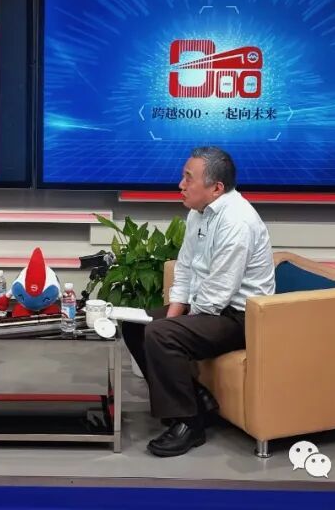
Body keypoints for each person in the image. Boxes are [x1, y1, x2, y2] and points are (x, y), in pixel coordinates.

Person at [121, 147, 275, 458]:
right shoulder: (198, 213)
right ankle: (198, 399)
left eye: (188, 178)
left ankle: (189, 424)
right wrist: (174, 313)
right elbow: (186, 269)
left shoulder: (238, 221)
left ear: (216, 188)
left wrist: (174, 325)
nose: (180, 185)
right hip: (210, 307)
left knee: (161, 334)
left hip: (242, 317)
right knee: (136, 324)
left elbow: (219, 291)